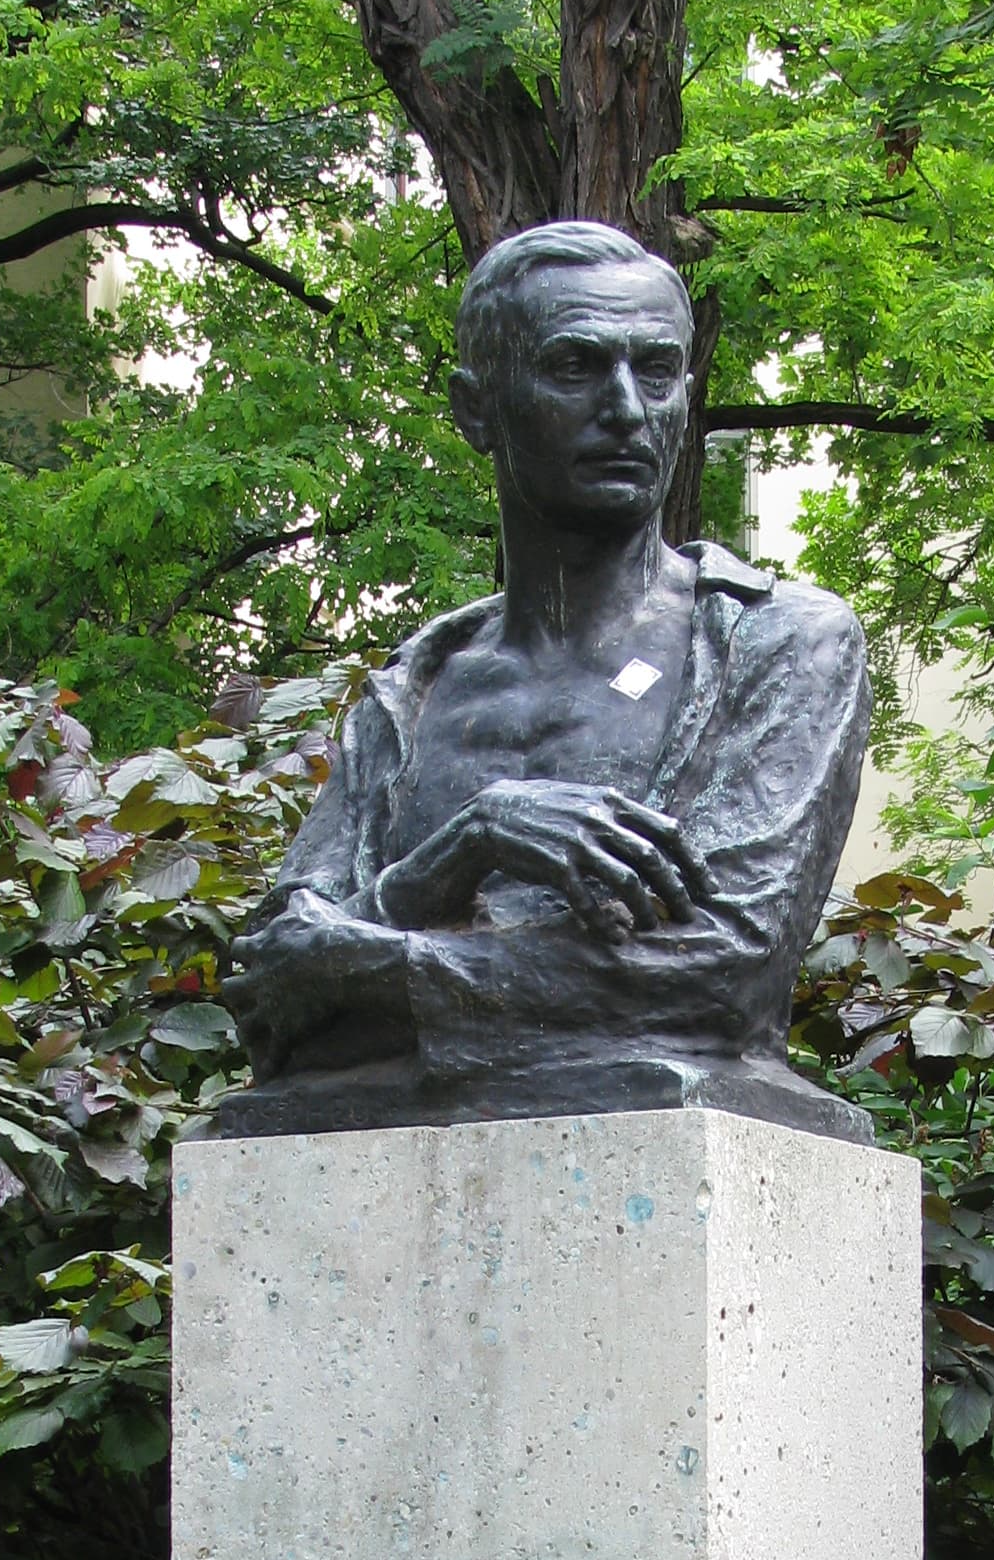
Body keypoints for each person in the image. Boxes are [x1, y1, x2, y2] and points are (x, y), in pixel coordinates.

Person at [211, 221, 872, 1138]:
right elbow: (270, 992)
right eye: (575, 367)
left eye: (658, 370)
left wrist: (367, 965)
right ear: (476, 409)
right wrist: (465, 844)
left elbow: (721, 973)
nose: (629, 411)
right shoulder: (417, 688)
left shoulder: (778, 645)